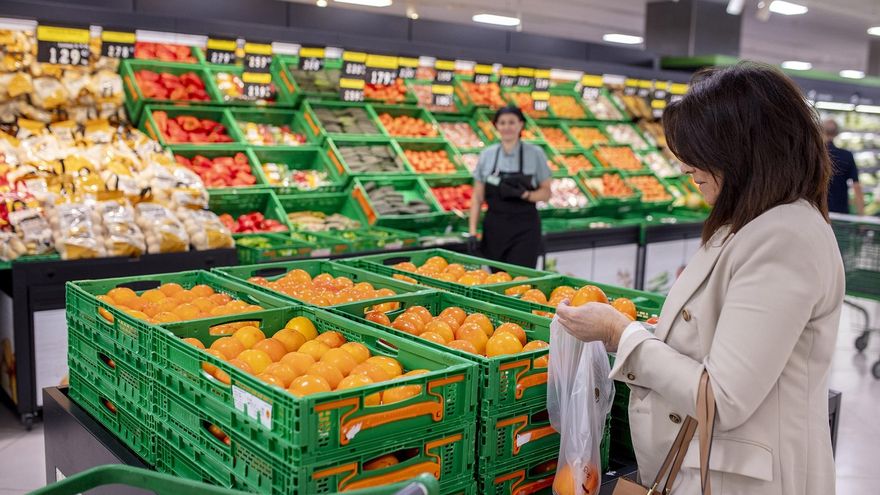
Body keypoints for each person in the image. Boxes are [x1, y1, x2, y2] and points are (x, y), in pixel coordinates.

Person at [555, 62, 843, 494]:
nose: (687, 166)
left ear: (744, 150)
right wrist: (658, 334)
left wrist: (623, 333)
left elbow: (722, 399)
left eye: (698, 152)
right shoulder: (751, 223)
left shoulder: (784, 238)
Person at [468, 106, 552, 268]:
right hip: (494, 229)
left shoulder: (535, 153)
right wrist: (472, 232)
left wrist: (525, 195)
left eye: (512, 122)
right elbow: (477, 197)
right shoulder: (487, 155)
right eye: (502, 123)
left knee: (521, 281)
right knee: (497, 281)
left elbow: (546, 193)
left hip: (525, 230)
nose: (507, 127)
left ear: (521, 124)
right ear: (496, 126)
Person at [824, 118, 865, 215]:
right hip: (841, 211)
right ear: (837, 133)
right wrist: (861, 215)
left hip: (818, 211)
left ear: (821, 131)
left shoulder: (814, 155)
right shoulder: (847, 155)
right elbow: (856, 186)